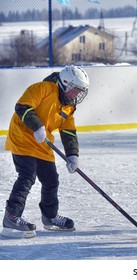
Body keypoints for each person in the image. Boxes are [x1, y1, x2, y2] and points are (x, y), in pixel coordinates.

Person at [1, 65, 89, 239]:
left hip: (42, 142)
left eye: (80, 92)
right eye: (75, 91)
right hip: (23, 137)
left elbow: (68, 131)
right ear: (65, 83)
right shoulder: (42, 88)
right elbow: (22, 107)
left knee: (51, 180)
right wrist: (37, 126)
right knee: (27, 176)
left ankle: (50, 216)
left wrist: (73, 155)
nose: (76, 96)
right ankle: (12, 216)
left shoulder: (68, 106)